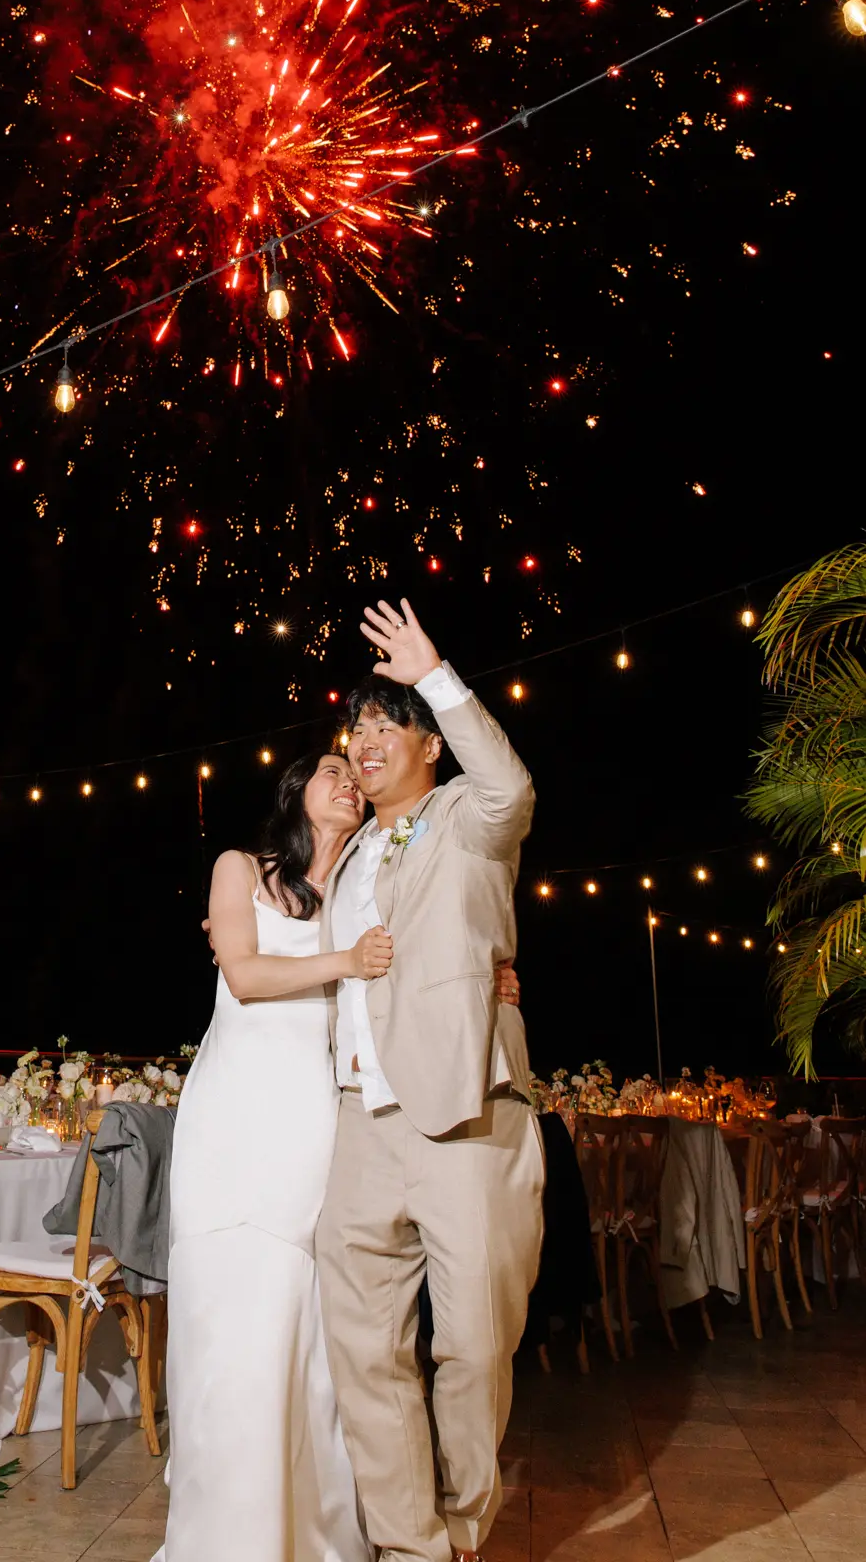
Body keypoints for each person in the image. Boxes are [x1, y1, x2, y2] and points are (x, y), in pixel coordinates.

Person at [155, 739, 521, 1562]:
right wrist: (348, 961)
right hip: (234, 1112)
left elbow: (429, 944)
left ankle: (314, 1532)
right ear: (295, 792)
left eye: (354, 777)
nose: (348, 781)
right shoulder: (238, 869)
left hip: (316, 1118)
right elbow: (244, 976)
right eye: (330, 771)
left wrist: (490, 971)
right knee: (229, 1309)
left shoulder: (361, 892)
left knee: (306, 1319)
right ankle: (226, 1535)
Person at [315, 597, 544, 1562]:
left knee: (474, 1345)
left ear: (427, 745)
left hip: (464, 1110)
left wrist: (433, 674)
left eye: (385, 722)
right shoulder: (351, 851)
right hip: (361, 1122)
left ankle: (463, 1526)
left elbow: (511, 784)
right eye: (357, 725)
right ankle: (410, 1545)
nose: (366, 740)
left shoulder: (469, 820)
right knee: (364, 1349)